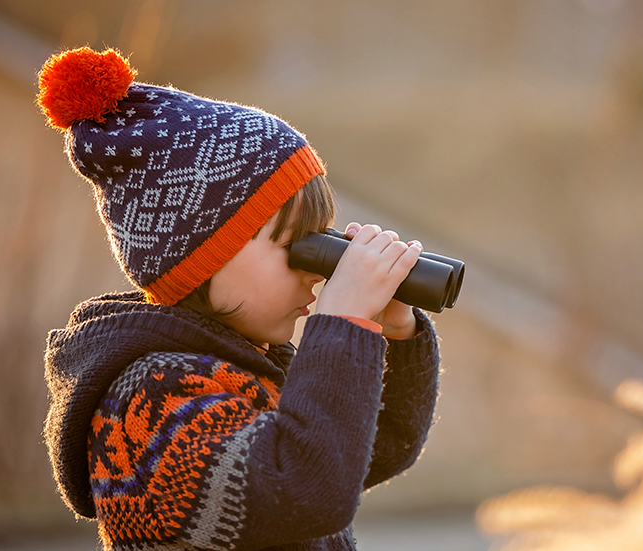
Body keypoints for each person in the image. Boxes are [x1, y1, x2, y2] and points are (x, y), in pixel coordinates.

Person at [39, 47, 441, 551]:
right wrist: (342, 322)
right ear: (205, 254)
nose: (314, 273)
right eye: (294, 244)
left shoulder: (243, 364)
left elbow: (371, 446)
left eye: (319, 247)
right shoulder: (151, 398)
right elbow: (303, 490)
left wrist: (391, 332)